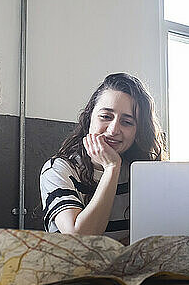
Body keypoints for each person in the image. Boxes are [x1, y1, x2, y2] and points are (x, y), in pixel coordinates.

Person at [39, 73, 165, 244]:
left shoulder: (144, 172)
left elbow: (154, 235)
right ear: (89, 117)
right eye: (106, 117)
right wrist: (112, 168)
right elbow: (80, 238)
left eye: (127, 122)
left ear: (137, 132)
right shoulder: (58, 169)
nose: (113, 130)